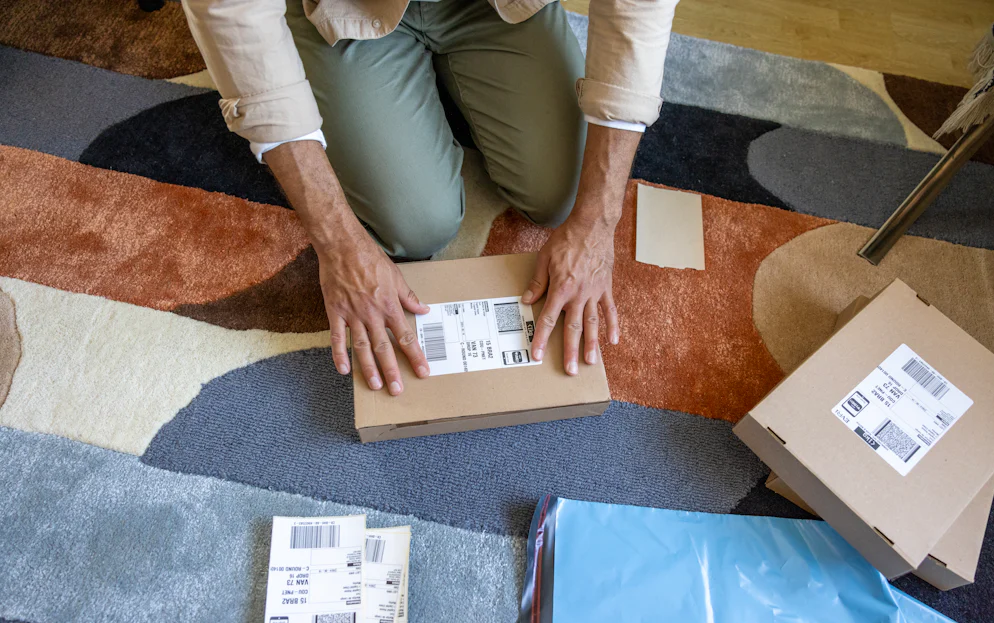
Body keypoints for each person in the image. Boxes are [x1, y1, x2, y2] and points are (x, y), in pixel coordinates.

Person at [182, 0, 677, 395]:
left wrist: (598, 221)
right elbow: (229, 9)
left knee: (561, 198)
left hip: (495, 5)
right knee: (416, 224)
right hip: (347, 8)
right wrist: (339, 244)